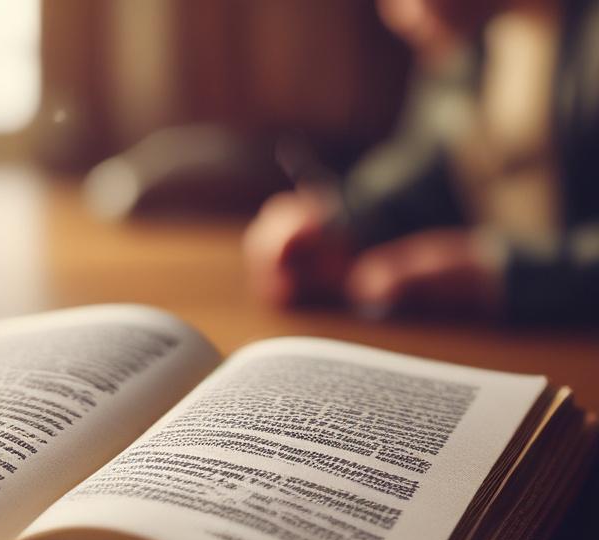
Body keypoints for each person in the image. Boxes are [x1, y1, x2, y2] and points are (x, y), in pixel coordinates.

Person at [244, 0, 599, 323]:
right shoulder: (475, 33)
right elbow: (422, 162)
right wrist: (336, 220)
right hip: (497, 338)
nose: (396, 14)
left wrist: (498, 273)